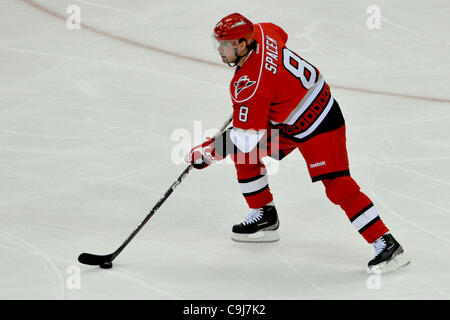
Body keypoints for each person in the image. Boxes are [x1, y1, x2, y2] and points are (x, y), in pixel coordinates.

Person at [186, 13, 410, 274]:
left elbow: (245, 138)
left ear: (244, 44)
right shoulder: (262, 31)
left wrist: (209, 152)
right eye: (220, 43)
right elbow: (281, 33)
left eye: (226, 44)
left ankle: (386, 243)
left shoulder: (249, 85)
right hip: (288, 120)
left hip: (320, 122)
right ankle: (265, 218)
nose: (220, 50)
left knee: (338, 187)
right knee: (244, 157)